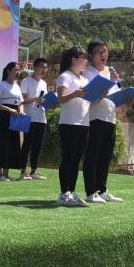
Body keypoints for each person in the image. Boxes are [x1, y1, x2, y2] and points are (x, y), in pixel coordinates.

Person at [83, 39, 124, 203]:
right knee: (93, 156)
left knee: (105, 157)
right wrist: (102, 92)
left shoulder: (111, 72)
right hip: (95, 118)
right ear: (91, 55)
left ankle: (102, 190)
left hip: (110, 119)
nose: (103, 55)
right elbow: (89, 99)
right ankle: (91, 192)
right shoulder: (88, 73)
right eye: (99, 52)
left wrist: (125, 97)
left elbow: (116, 95)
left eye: (105, 51)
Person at [56, 47, 90, 207]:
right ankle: (64, 194)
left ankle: (71, 191)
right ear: (74, 60)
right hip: (69, 123)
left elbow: (89, 99)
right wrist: (75, 94)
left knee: (76, 160)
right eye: (83, 58)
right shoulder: (65, 76)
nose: (86, 61)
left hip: (83, 123)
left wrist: (99, 95)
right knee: (68, 159)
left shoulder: (84, 79)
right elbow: (61, 98)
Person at [0, 62, 24, 181]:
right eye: (15, 69)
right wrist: (9, 109)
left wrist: (21, 110)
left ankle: (6, 174)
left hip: (14, 117)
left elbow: (20, 102)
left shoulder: (17, 87)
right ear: (8, 71)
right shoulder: (1, 85)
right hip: (2, 118)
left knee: (11, 145)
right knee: (1, 144)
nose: (18, 72)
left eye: (18, 70)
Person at [19, 58, 49, 180]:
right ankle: (22, 172)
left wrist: (48, 102)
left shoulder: (44, 83)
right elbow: (22, 100)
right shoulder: (26, 81)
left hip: (41, 118)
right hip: (29, 117)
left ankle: (34, 171)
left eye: (46, 67)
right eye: (42, 67)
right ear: (35, 67)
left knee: (37, 146)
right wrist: (35, 99)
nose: (44, 70)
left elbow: (43, 99)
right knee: (27, 145)